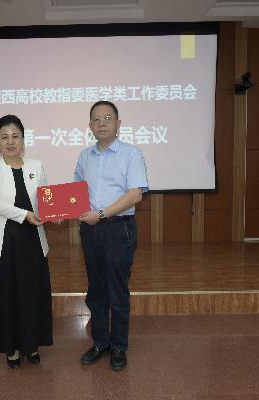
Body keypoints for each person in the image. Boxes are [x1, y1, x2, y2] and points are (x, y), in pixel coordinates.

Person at [74, 101, 148, 371]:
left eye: (107, 118)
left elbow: (135, 194)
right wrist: (61, 210)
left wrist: (102, 214)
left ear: (118, 123)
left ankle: (118, 346)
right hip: (91, 230)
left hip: (119, 228)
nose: (102, 123)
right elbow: (76, 195)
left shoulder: (131, 154)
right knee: (96, 290)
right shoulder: (85, 156)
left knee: (117, 290)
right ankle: (100, 342)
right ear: (90, 125)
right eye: (96, 119)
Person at [0, 114, 53, 369]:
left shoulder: (36, 165)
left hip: (33, 243)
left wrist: (54, 213)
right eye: (4, 137)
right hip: (4, 244)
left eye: (15, 136)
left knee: (32, 293)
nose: (10, 141)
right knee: (7, 296)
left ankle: (31, 345)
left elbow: (45, 199)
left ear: (23, 140)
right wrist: (25, 215)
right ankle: (10, 348)